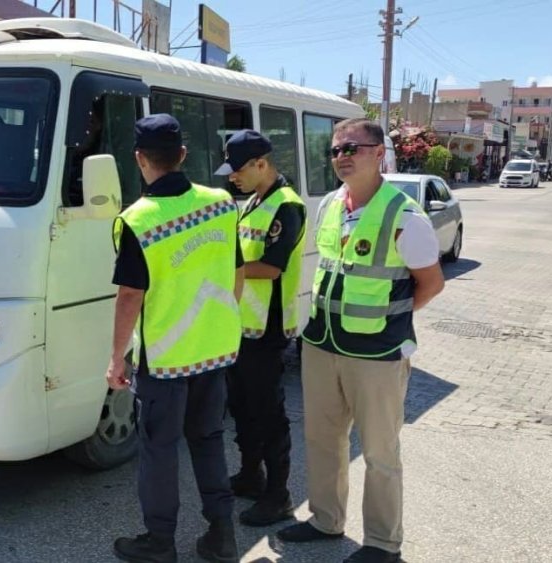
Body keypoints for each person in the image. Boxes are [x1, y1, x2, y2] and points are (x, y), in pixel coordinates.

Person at [277, 118, 445, 563]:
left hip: (377, 352)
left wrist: (390, 320)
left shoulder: (405, 215)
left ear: (378, 153)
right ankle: (326, 520)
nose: (342, 156)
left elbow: (430, 283)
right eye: (335, 150)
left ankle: (383, 544)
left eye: (352, 147)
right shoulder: (329, 205)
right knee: (322, 437)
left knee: (379, 451)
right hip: (323, 343)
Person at [108, 114, 245, 563]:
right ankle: (222, 535)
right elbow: (238, 272)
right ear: (183, 154)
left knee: (160, 451)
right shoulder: (222, 202)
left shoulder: (140, 219)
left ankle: (160, 542)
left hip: (166, 361)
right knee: (208, 441)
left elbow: (130, 296)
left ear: (139, 159)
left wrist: (116, 359)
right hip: (215, 350)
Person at [214, 130, 306, 527]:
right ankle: (252, 474)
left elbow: (271, 266)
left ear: (261, 164)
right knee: (243, 408)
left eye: (237, 170)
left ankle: (279, 495)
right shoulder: (253, 202)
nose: (232, 177)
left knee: (268, 414)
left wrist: (219, 270)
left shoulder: (287, 206)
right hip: (241, 326)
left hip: (267, 330)